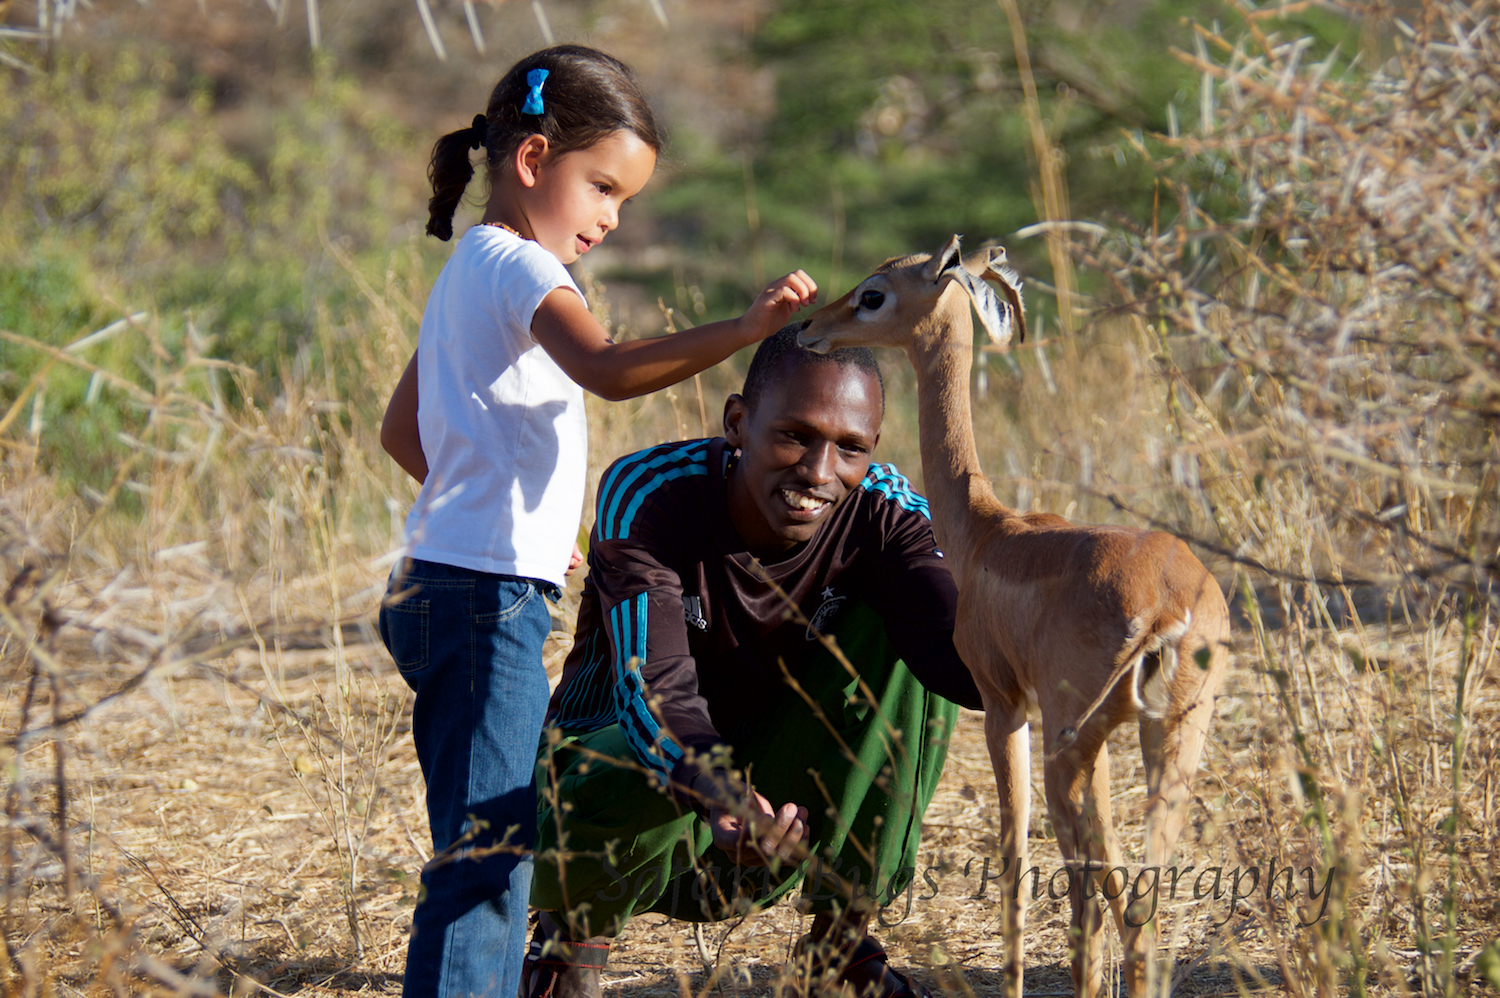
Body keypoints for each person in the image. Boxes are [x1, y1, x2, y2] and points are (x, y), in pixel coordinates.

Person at [377, 46, 817, 998]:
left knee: (483, 844)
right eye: (603, 188)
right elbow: (608, 371)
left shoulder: (469, 266)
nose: (612, 219)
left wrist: (522, 518)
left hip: (446, 584)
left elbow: (403, 429)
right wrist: (743, 332)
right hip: (484, 602)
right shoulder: (521, 266)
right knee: (490, 858)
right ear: (533, 161)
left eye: (625, 201)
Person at [525, 326, 984, 998]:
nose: (819, 472)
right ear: (737, 421)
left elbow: (961, 654)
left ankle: (840, 949)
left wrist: (1068, 664)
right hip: (617, 811)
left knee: (921, 638)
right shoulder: (651, 492)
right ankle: (571, 947)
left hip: (778, 819)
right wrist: (722, 794)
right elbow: (650, 692)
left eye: (850, 448)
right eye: (795, 435)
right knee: (634, 738)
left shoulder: (884, 510)